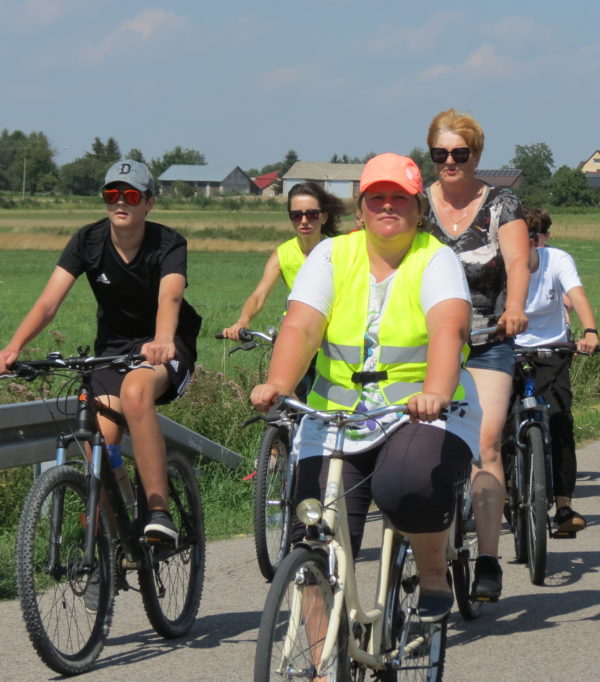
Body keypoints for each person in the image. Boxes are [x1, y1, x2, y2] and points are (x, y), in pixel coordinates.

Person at [250, 153, 481, 622]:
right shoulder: (331, 255)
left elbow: (449, 329)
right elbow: (302, 326)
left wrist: (435, 391)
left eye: (400, 197)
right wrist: (279, 383)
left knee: (406, 485)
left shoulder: (435, 258)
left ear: (420, 209)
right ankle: (318, 656)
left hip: (419, 412)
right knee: (311, 533)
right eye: (377, 197)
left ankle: (432, 572)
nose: (388, 205)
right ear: (359, 210)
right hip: (337, 419)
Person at [0, 160, 202, 543]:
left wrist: (162, 340)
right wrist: (13, 347)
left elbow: (170, 295)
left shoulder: (168, 243)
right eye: (112, 194)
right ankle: (109, 541)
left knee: (136, 392)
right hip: (113, 349)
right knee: (99, 441)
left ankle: (158, 512)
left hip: (167, 343)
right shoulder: (87, 241)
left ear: (149, 203)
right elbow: (48, 303)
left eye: (131, 196)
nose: (120, 202)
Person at [422, 108, 530, 602]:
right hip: (428, 343)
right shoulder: (418, 206)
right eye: (440, 153)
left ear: (476, 155)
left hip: (487, 339)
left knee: (485, 444)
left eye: (459, 153)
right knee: (420, 443)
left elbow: (517, 263)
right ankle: (426, 558)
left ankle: (488, 558)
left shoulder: (501, 205)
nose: (450, 161)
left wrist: (516, 308)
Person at [516, 207, 599, 534]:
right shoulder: (498, 264)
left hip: (553, 348)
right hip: (507, 347)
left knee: (561, 420)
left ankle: (564, 507)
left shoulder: (557, 260)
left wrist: (590, 331)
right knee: (495, 425)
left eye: (529, 238)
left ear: (536, 240)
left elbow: (577, 294)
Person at [222, 183, 344, 340]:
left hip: (331, 334)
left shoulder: (339, 251)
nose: (304, 221)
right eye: (296, 215)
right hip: (297, 334)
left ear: (324, 217)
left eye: (312, 215)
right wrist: (243, 321)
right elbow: (259, 295)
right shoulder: (282, 254)